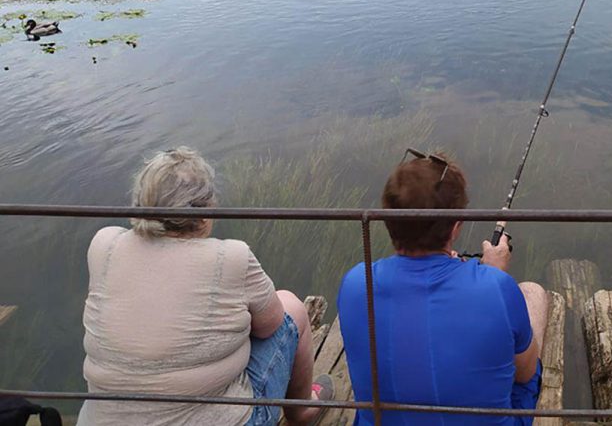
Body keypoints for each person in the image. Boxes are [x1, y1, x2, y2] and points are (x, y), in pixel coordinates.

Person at [78, 147, 332, 426]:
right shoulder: (231, 257)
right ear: (204, 213)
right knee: (292, 307)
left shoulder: (104, 244)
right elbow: (271, 325)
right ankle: (303, 410)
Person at [338, 151, 548, 425]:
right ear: (455, 228)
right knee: (533, 293)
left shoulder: (356, 282)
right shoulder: (495, 287)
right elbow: (525, 373)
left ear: (388, 221)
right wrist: (491, 275)